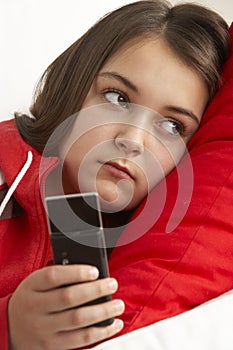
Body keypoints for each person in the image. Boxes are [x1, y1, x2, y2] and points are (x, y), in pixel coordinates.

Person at [0, 0, 230, 349]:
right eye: (118, 97)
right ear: (74, 83)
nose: (132, 140)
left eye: (172, 126)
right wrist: (9, 326)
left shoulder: (146, 248)